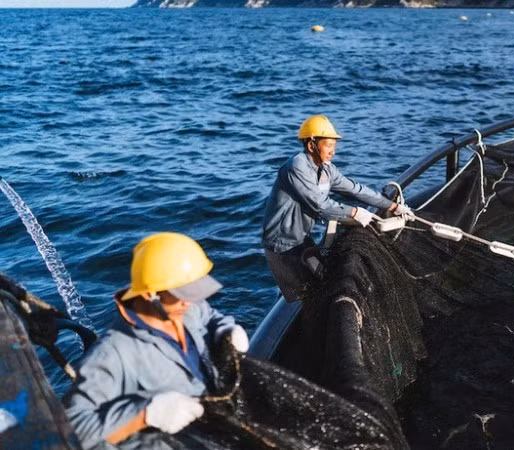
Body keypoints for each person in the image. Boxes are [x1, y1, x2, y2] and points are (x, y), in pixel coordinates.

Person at [63, 232, 249, 449]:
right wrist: (145, 415)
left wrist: (226, 330)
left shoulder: (184, 307)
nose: (191, 302)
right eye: (184, 293)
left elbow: (209, 316)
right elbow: (70, 431)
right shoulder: (113, 354)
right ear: (150, 294)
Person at [261, 115, 412, 302]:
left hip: (302, 239)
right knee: (303, 299)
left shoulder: (327, 169)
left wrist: (392, 205)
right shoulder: (296, 167)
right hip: (282, 247)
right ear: (311, 146)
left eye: (334, 145)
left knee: (321, 285)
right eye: (328, 145)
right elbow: (320, 206)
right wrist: (355, 212)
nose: (333, 151)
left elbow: (355, 189)